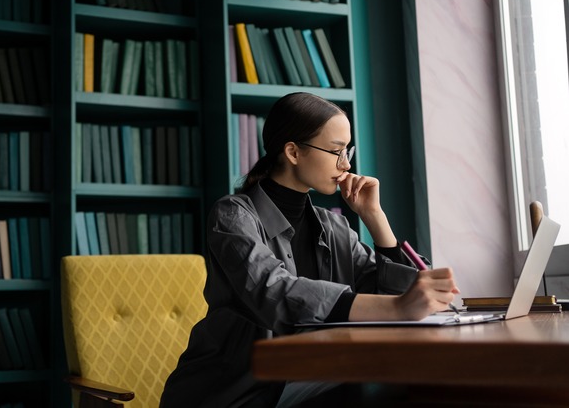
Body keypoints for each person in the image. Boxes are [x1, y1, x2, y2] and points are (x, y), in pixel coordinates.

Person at [160, 92, 459, 408]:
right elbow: (274, 291)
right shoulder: (233, 215)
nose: (346, 164)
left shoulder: (333, 226)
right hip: (234, 391)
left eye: (348, 151)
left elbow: (390, 294)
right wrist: (399, 307)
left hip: (310, 380)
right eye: (335, 151)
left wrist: (375, 216)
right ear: (292, 152)